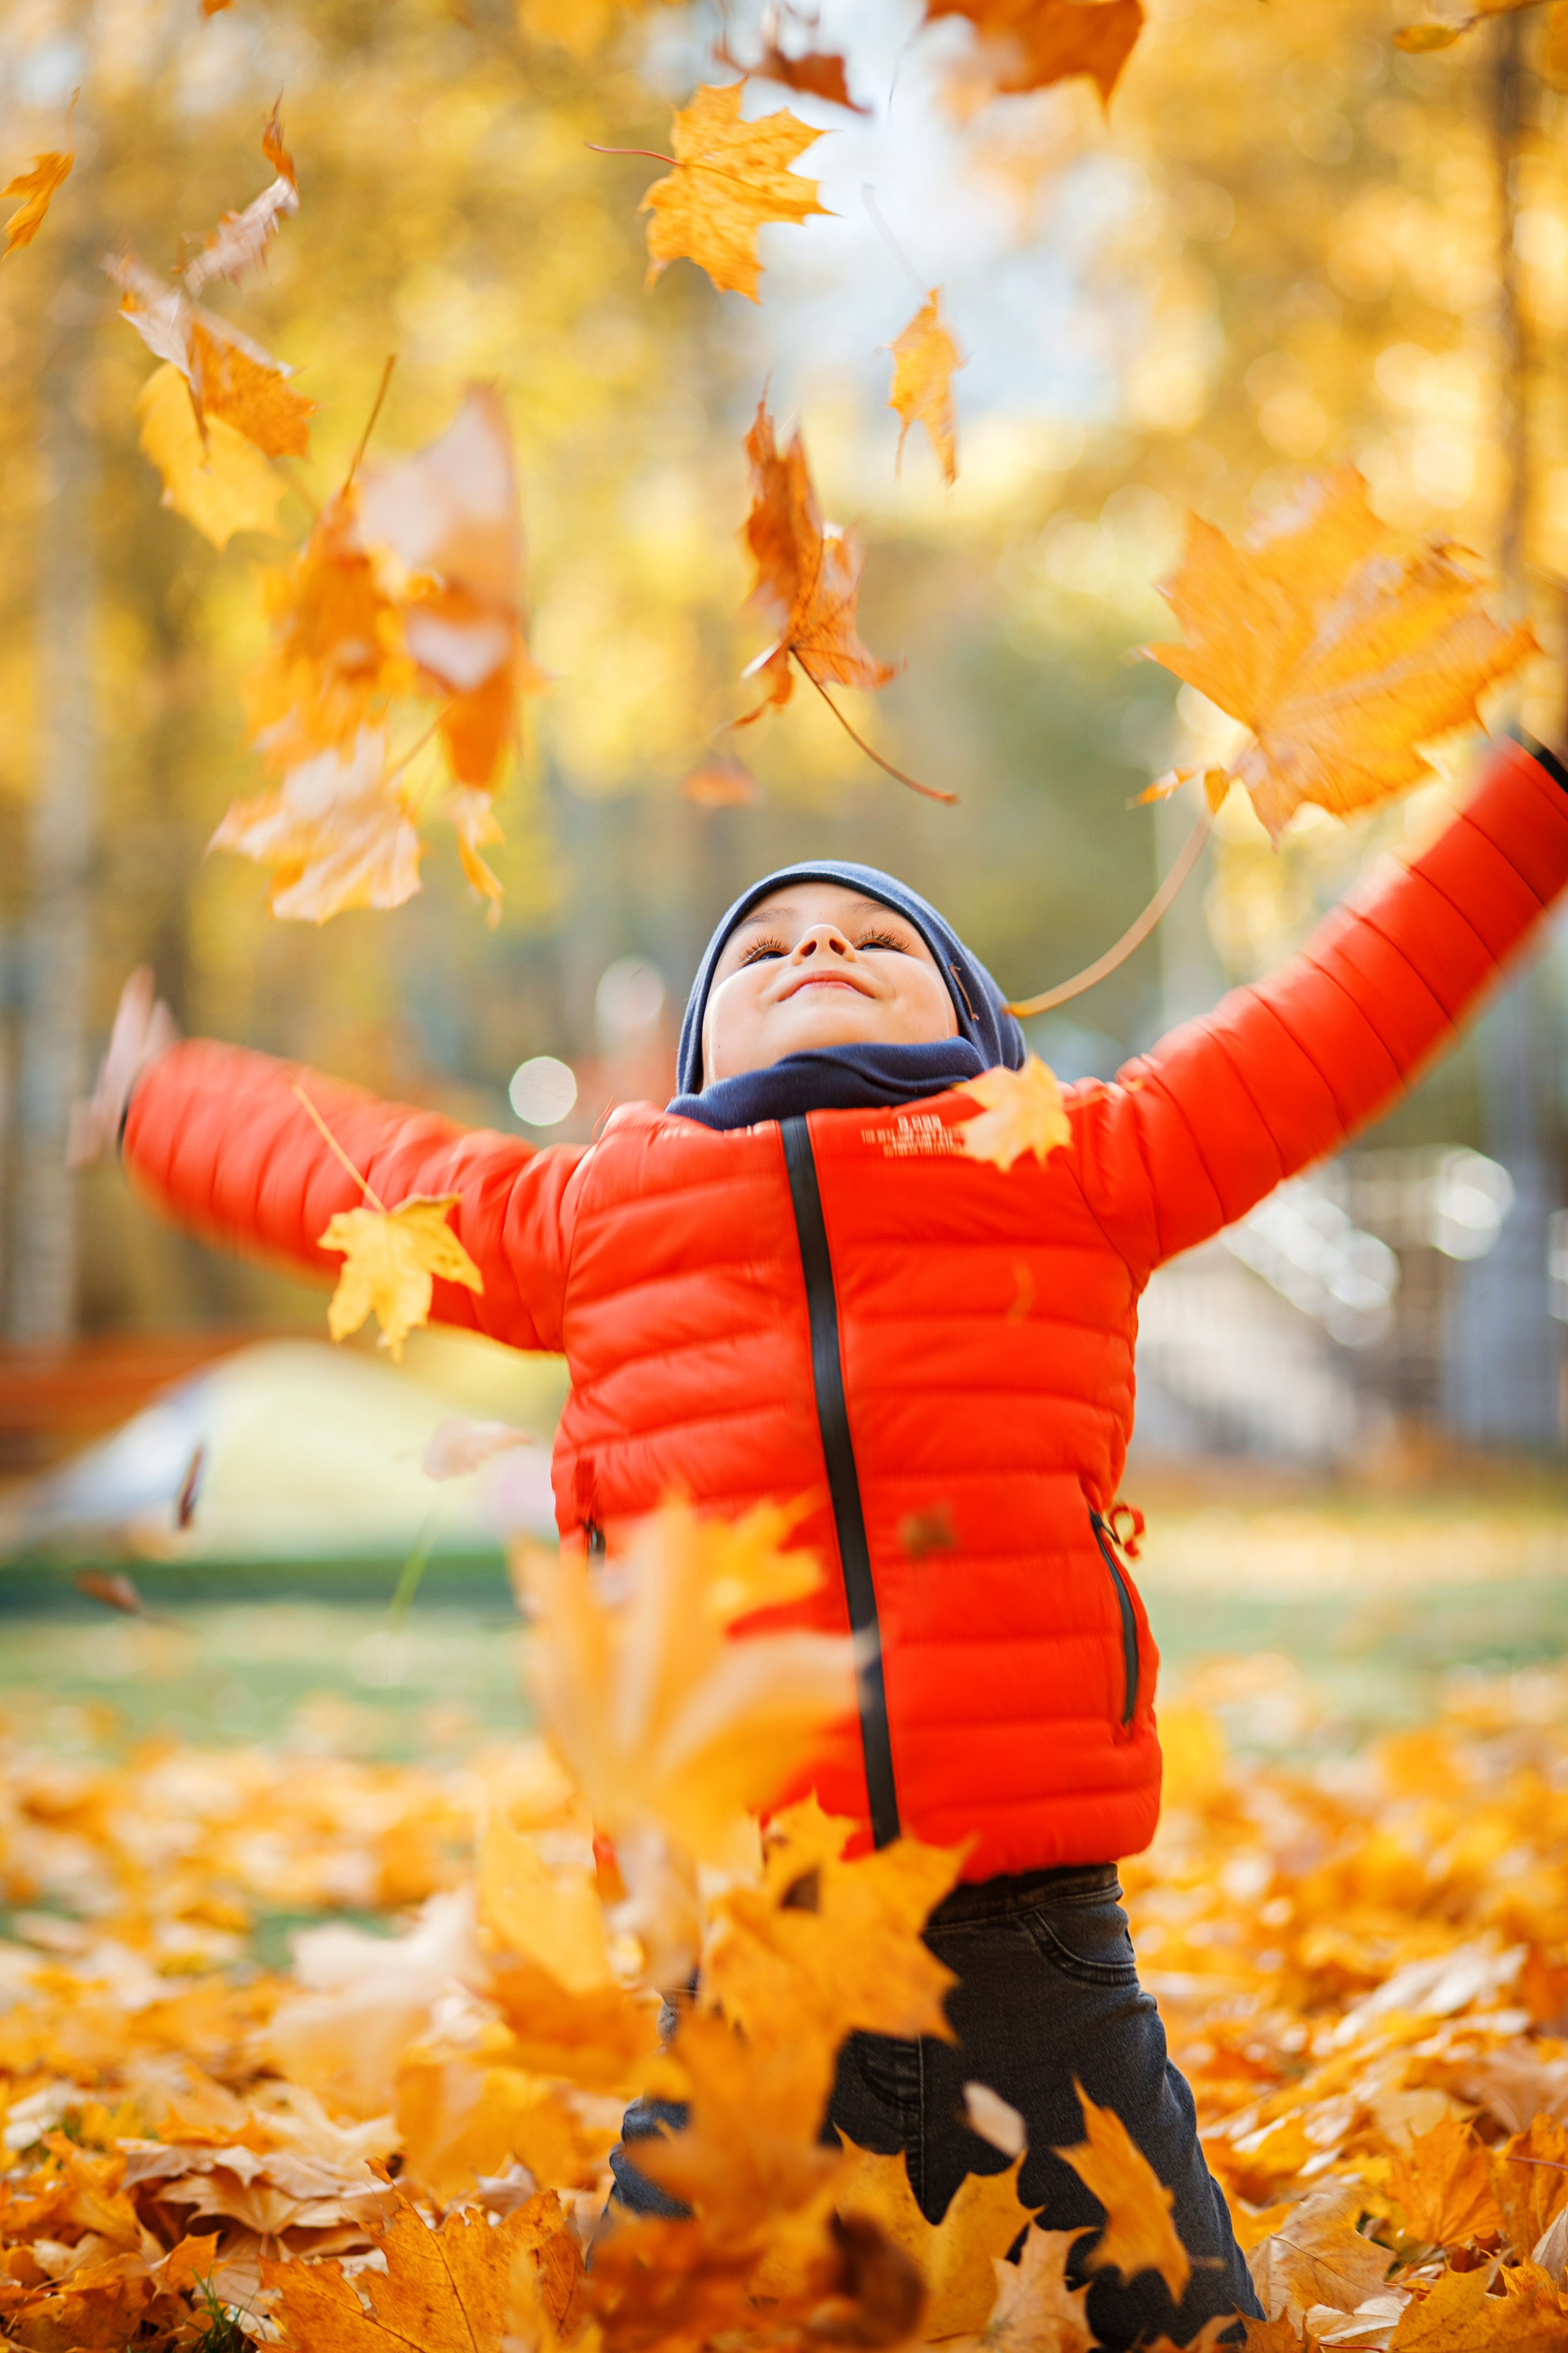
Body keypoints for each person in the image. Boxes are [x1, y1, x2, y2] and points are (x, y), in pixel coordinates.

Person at [90, 734, 1568, 2346]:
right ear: (695, 1047)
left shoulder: (1077, 1162)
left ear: (979, 1029)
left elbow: (1332, 1019)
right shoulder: (595, 1220)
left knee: (1177, 2323)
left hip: (1033, 1950)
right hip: (737, 1976)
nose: (819, 952)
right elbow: (369, 1179)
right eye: (771, 946)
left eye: (876, 941)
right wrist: (165, 1098)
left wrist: (1533, 807)